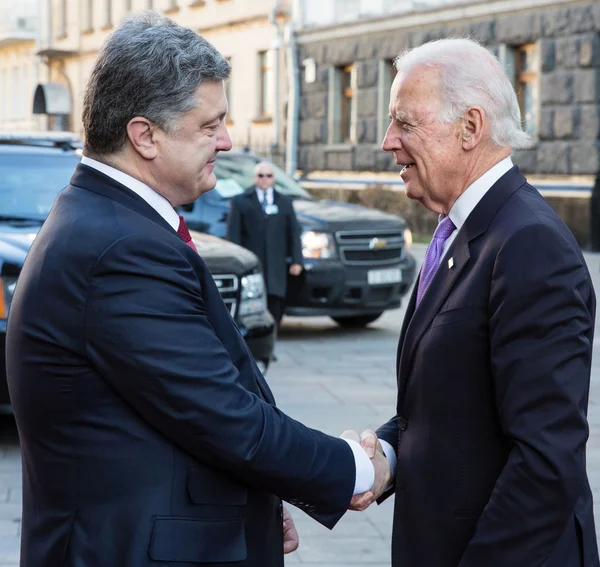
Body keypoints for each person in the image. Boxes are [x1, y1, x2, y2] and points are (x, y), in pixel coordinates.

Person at [5, 13, 390, 567]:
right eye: (210, 125)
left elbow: (166, 417)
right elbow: (223, 415)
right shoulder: (120, 248)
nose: (228, 141)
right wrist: (353, 467)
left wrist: (254, 502)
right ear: (145, 136)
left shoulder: (112, 223)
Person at [349, 38, 599, 567]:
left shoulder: (530, 244)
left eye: (404, 122)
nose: (388, 140)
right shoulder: (462, 230)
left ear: (470, 127)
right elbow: (452, 403)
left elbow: (545, 461)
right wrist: (389, 457)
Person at [227, 161, 303, 329]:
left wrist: (297, 260)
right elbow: (234, 234)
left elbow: (293, 233)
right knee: (253, 299)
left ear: (274, 178)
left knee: (276, 300)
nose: (265, 179)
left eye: (269, 176)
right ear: (255, 177)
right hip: (253, 258)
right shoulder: (241, 201)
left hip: (277, 262)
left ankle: (273, 336)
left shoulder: (284, 202)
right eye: (261, 175)